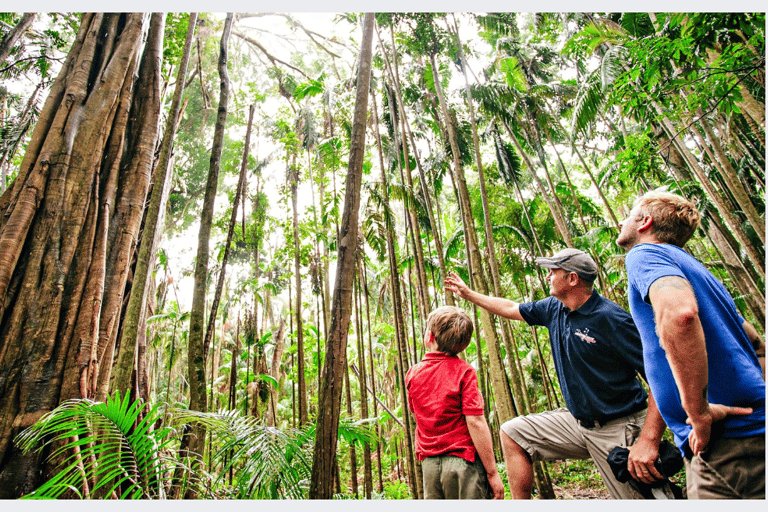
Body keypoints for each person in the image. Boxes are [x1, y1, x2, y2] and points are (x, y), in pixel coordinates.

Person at [445, 249, 668, 499]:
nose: (548, 276)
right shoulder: (554, 308)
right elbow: (511, 307)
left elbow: (663, 379)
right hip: (577, 422)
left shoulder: (611, 319)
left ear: (572, 279)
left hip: (618, 427)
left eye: (553, 271)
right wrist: (468, 294)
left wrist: (649, 440)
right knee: (513, 432)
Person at [616, 190, 765, 499]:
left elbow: (680, 315)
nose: (622, 221)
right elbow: (756, 343)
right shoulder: (698, 270)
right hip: (753, 431)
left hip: (726, 447)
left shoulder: (644, 254)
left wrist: (698, 414)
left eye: (629, 215)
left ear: (645, 222)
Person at [406, 305, 505, 499]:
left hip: (429, 466)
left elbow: (415, 412)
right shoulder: (464, 371)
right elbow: (475, 421)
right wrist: (492, 472)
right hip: (463, 464)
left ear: (430, 337)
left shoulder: (413, 373)